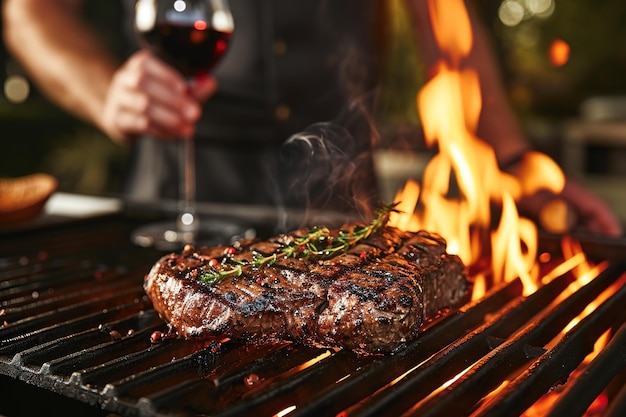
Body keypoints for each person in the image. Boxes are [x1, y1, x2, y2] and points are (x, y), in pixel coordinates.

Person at [2, 0, 622, 236]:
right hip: (177, 208)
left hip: (346, 215)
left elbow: (446, 26)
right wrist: (106, 90)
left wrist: (514, 164)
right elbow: (29, 11)